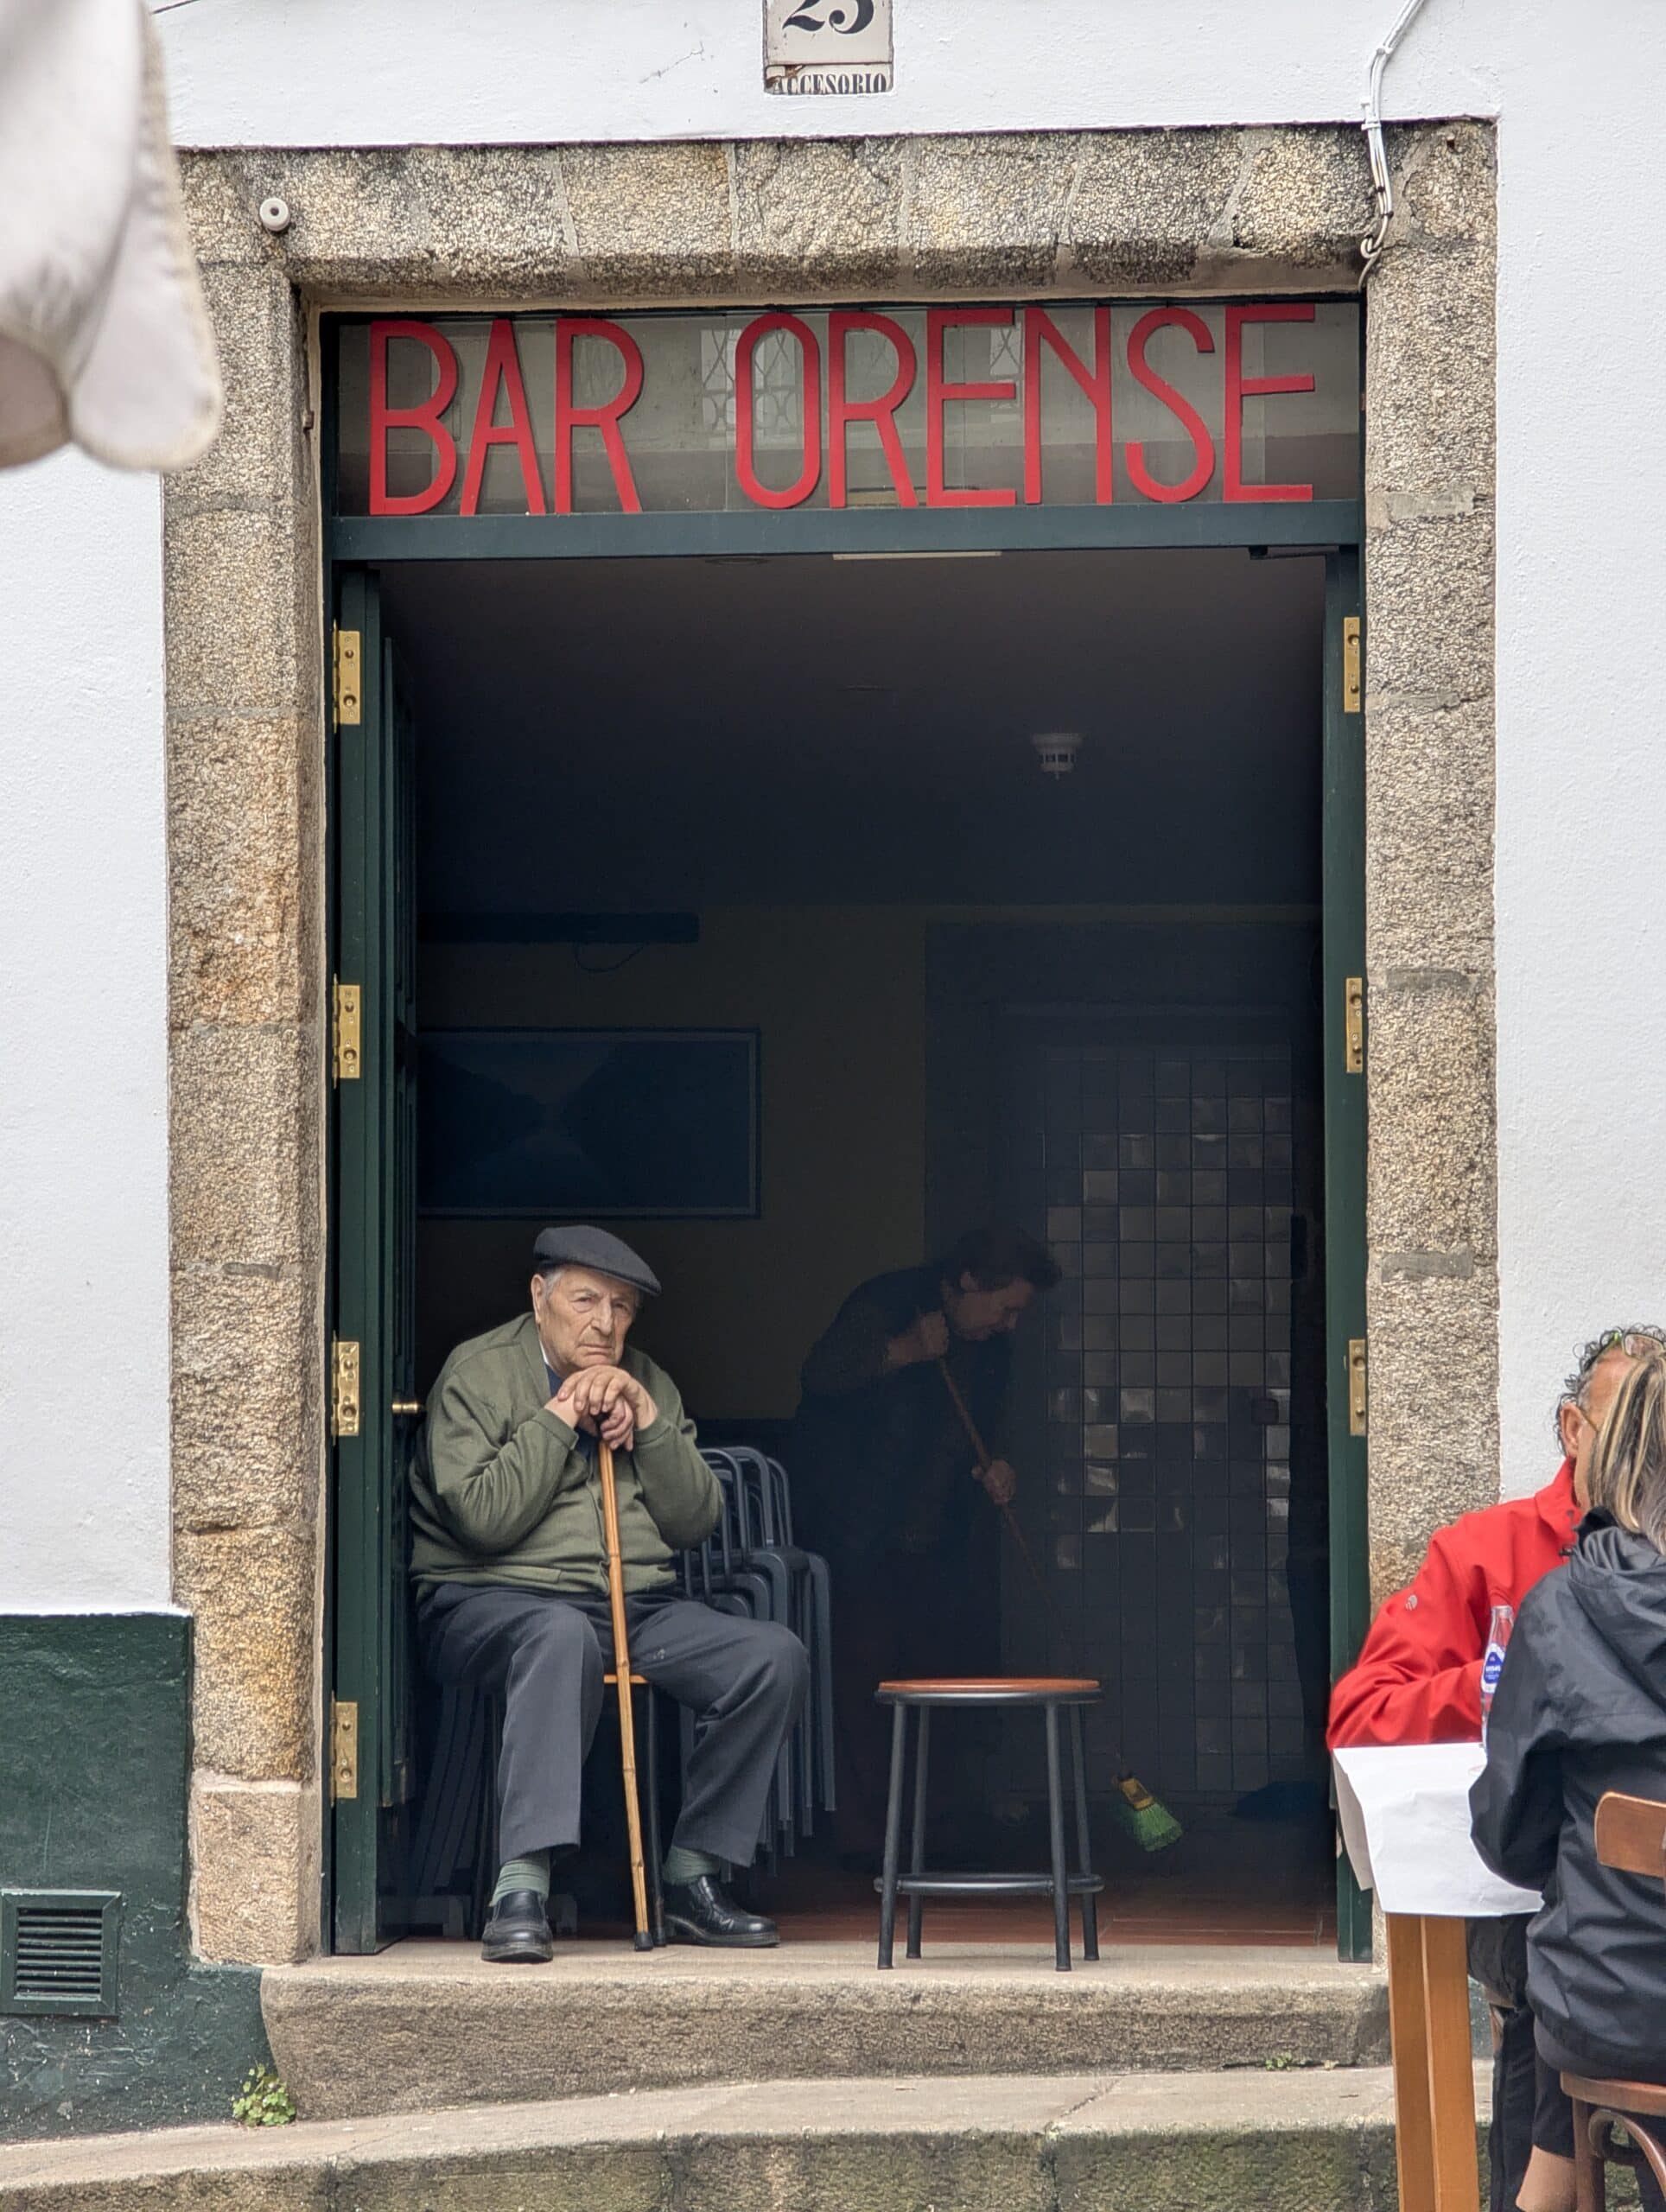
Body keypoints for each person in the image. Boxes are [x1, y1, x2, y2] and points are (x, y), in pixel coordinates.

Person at [1329, 1325, 1664, 2212]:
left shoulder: (1559, 1603)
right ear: (1569, 1427)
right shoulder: (1487, 1548)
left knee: (1562, 1959)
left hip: (1611, 1987)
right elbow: (1362, 1712)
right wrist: (1475, 1691)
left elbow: (1510, 1838)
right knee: (1539, 1953)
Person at [411, 1225, 810, 1961]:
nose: (605, 1323)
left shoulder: (648, 1380)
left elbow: (695, 1522)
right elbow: (484, 1519)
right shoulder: (478, 1373)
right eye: (586, 1299)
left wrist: (651, 1425)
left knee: (770, 1657)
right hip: (488, 1600)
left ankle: (694, 1877)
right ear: (540, 1296)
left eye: (623, 1307)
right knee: (558, 1634)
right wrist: (562, 1417)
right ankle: (519, 1887)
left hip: (635, 1607)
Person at [790, 1224, 1061, 1859]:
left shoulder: (989, 1343)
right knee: (863, 1688)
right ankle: (867, 1841)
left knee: (938, 1683)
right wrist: (902, 1350)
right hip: (852, 1532)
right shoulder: (890, 1303)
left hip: (933, 1540)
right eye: (1007, 1307)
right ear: (969, 1282)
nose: (1011, 1324)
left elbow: (987, 1428)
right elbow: (819, 1377)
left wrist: (996, 1467)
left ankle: (930, 1831)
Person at [1472, 1351, 1666, 2212]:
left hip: (1613, 2012)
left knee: (1554, 1977)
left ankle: (1539, 2192)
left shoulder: (1557, 1608)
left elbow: (1508, 1839)